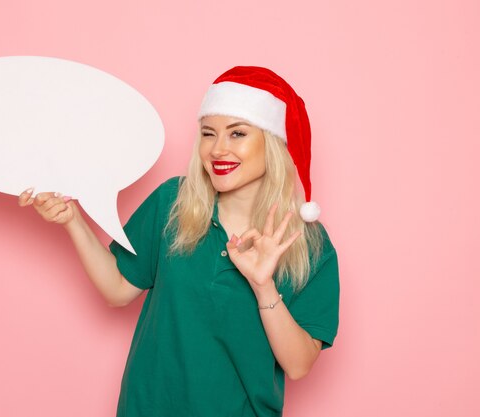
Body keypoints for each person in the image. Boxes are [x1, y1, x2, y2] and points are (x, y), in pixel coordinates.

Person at [18, 66, 339, 417]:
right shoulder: (173, 202)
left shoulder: (308, 244)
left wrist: (263, 286)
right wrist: (73, 220)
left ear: (273, 142)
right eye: (208, 133)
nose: (218, 149)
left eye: (237, 134)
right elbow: (118, 288)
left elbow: (298, 365)